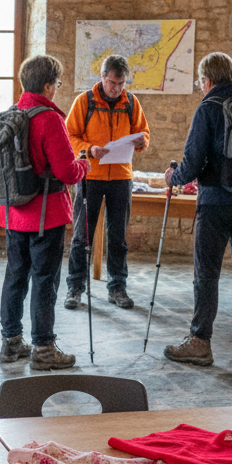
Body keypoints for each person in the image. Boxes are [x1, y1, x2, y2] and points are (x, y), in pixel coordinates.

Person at [163, 52, 232, 366]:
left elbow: (192, 163)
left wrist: (174, 177)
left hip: (217, 202)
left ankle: (200, 341)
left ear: (207, 80)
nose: (200, 87)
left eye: (200, 81)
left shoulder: (208, 108)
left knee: (206, 273)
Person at [0, 55, 91, 369]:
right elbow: (66, 172)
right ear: (48, 86)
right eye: (57, 83)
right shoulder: (49, 119)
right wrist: (83, 166)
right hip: (44, 216)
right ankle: (44, 349)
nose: (57, 89)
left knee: (14, 277)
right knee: (45, 282)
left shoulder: (12, 113)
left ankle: (11, 343)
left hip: (13, 214)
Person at [63, 54, 151, 310]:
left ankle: (117, 288)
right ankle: (75, 287)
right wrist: (89, 149)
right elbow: (69, 135)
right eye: (112, 82)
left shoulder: (131, 102)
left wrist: (142, 142)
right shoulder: (84, 102)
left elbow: (144, 131)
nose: (117, 88)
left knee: (119, 237)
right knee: (82, 236)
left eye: (121, 83)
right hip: (90, 176)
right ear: (102, 78)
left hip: (121, 177)